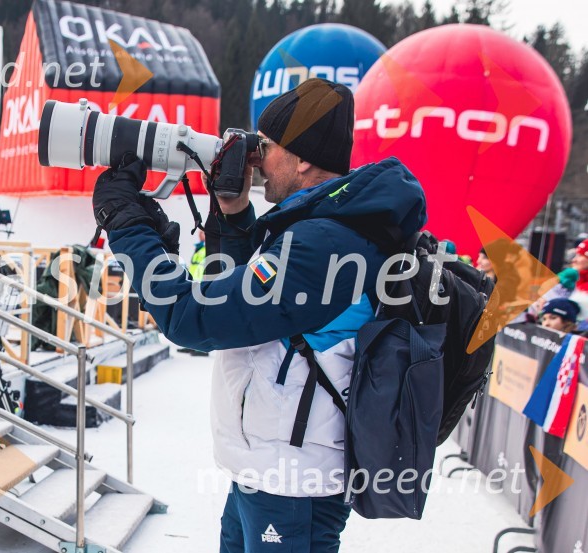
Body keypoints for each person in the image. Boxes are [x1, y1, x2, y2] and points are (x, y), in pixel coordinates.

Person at [91, 78, 427, 552]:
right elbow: (236, 299)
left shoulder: (324, 244)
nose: (256, 158)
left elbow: (194, 319)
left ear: (304, 158)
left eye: (266, 146)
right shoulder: (319, 229)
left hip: (292, 486)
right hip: (266, 470)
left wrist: (125, 224)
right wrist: (233, 213)